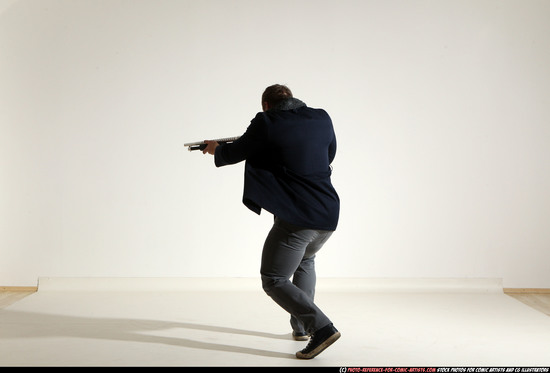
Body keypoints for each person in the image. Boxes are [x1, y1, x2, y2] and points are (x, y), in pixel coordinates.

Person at [202, 84, 340, 359]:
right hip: (328, 211)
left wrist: (216, 148)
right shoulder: (321, 116)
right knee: (305, 262)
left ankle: (321, 328)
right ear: (292, 99)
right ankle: (301, 327)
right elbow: (328, 154)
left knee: (274, 278)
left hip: (298, 216)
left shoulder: (266, 121)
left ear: (266, 104)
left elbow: (234, 153)